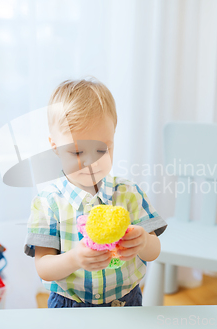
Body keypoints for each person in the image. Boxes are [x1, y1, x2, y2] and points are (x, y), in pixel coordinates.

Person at [24, 77, 167, 308]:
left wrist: (143, 242)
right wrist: (75, 258)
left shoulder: (129, 194)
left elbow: (155, 251)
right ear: (55, 147)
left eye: (102, 149)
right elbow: (44, 267)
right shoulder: (48, 203)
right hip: (70, 304)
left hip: (125, 302)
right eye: (78, 152)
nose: (91, 163)